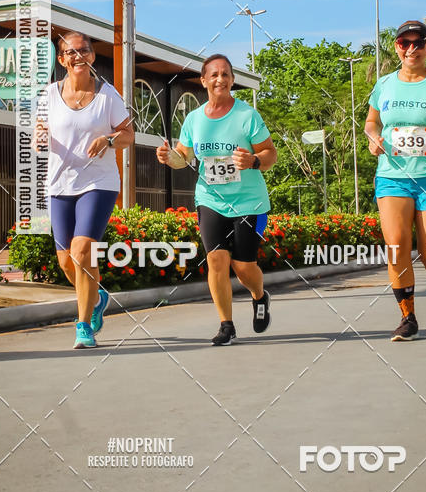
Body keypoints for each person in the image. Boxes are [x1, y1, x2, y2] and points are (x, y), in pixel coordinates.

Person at [156, 54, 277, 345]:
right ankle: (226, 325)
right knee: (216, 259)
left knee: (243, 266)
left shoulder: (247, 116)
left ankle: (259, 296)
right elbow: (183, 157)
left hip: (248, 201)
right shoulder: (194, 119)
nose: (220, 79)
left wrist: (253, 161)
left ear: (232, 80)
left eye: (225, 74)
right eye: (214, 74)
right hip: (210, 198)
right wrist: (169, 157)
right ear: (203, 81)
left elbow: (270, 154)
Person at [37, 31, 134, 349]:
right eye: (71, 52)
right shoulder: (49, 95)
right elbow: (40, 129)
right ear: (61, 59)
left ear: (92, 56)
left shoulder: (108, 95)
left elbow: (128, 135)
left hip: (98, 184)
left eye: (84, 50)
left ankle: (83, 326)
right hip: (60, 185)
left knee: (82, 251)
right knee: (67, 262)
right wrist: (39, 136)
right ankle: (97, 296)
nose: (78, 56)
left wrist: (108, 139)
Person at [365, 20, 426, 341]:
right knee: (395, 246)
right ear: (397, 47)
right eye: (405, 43)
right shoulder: (384, 84)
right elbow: (371, 122)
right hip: (393, 176)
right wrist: (373, 138)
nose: (412, 49)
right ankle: (408, 317)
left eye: (419, 43)